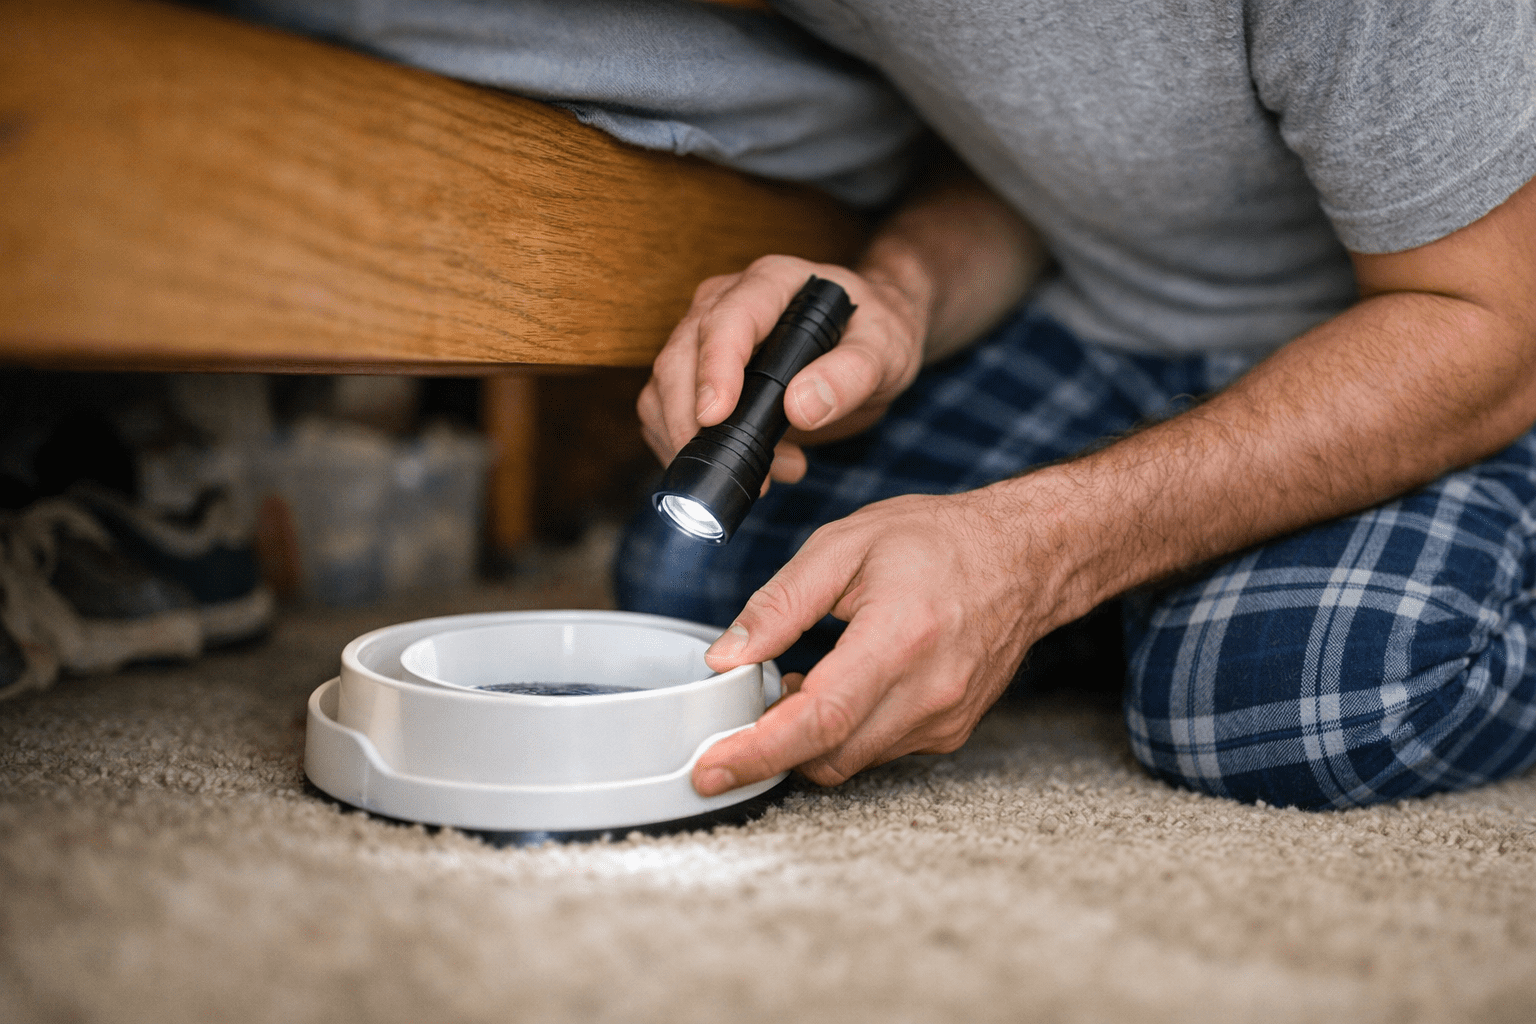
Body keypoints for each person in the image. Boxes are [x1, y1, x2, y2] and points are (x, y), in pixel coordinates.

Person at [615, 0, 1536, 810]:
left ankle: (1159, 609)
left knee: (1300, 702)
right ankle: (1159, 599)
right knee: (700, 592)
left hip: (1428, 329)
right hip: (1101, 312)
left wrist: (1035, 554)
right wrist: (900, 297)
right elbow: (1027, 150)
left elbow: (1492, 324)